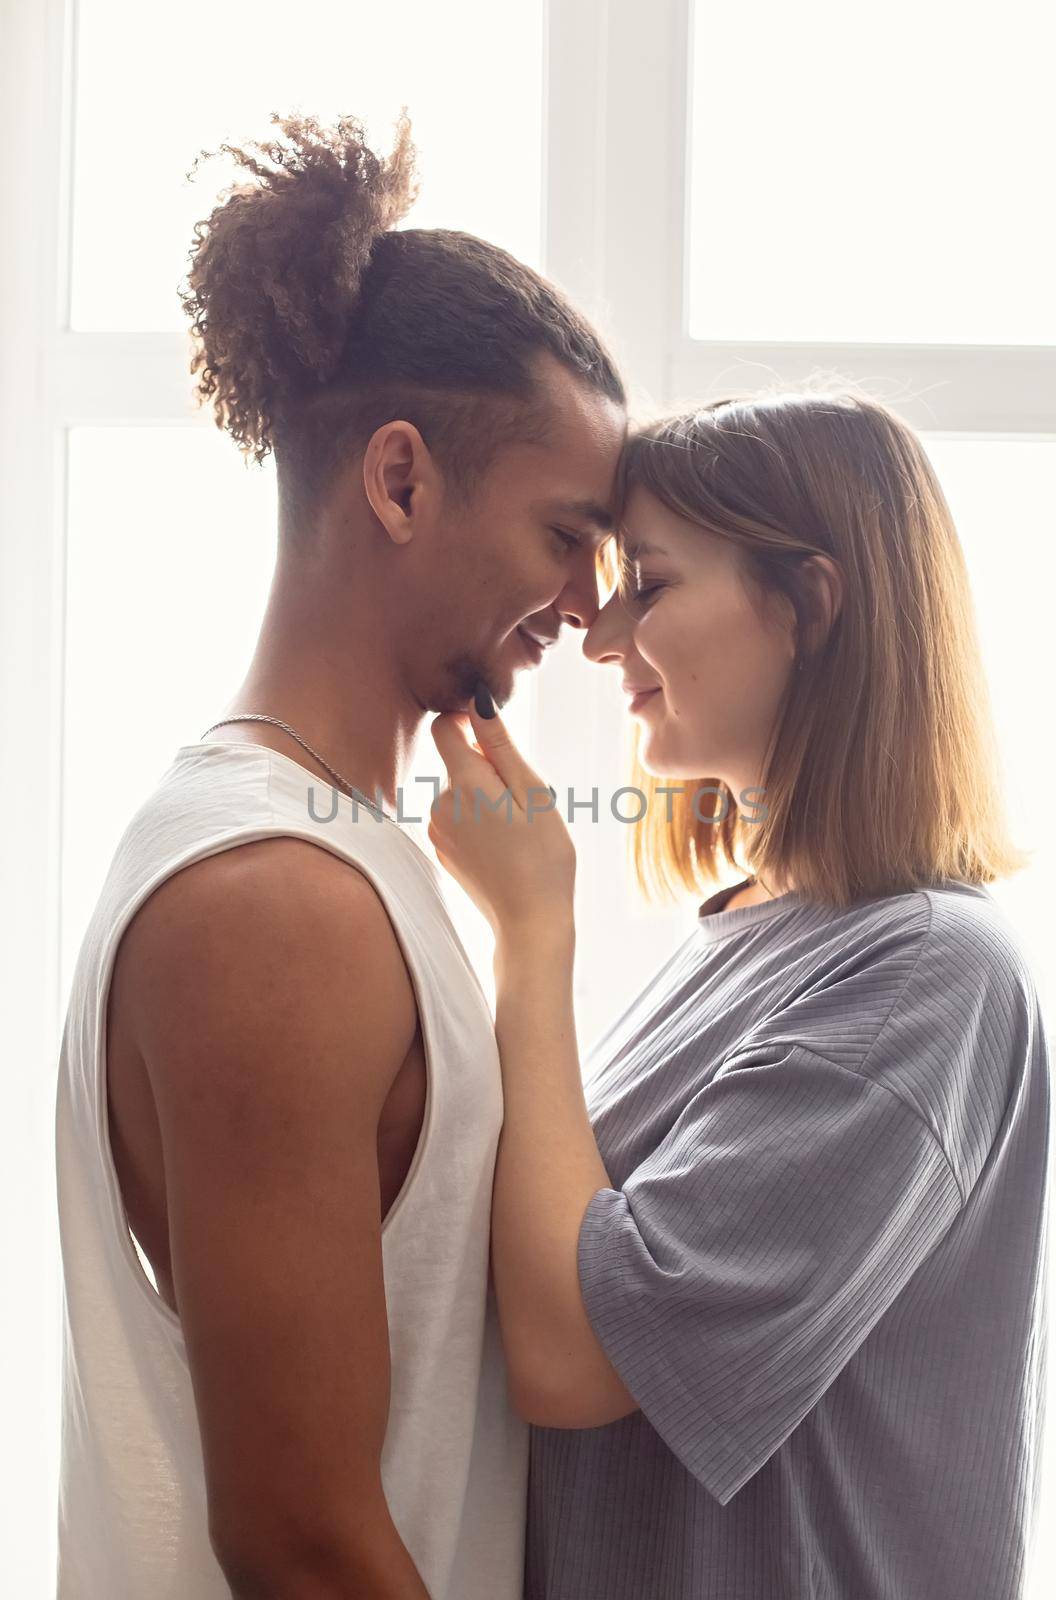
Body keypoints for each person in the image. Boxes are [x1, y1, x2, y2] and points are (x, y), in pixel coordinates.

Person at [53, 112, 627, 1599]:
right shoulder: (274, 904)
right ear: (396, 481)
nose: (586, 602)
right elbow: (301, 1541)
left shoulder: (342, 856)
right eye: (565, 532)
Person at [426, 390, 1051, 1600]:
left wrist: (531, 928)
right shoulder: (747, 933)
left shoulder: (926, 977)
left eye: (646, 585)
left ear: (808, 605)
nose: (599, 636)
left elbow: (570, 1359)